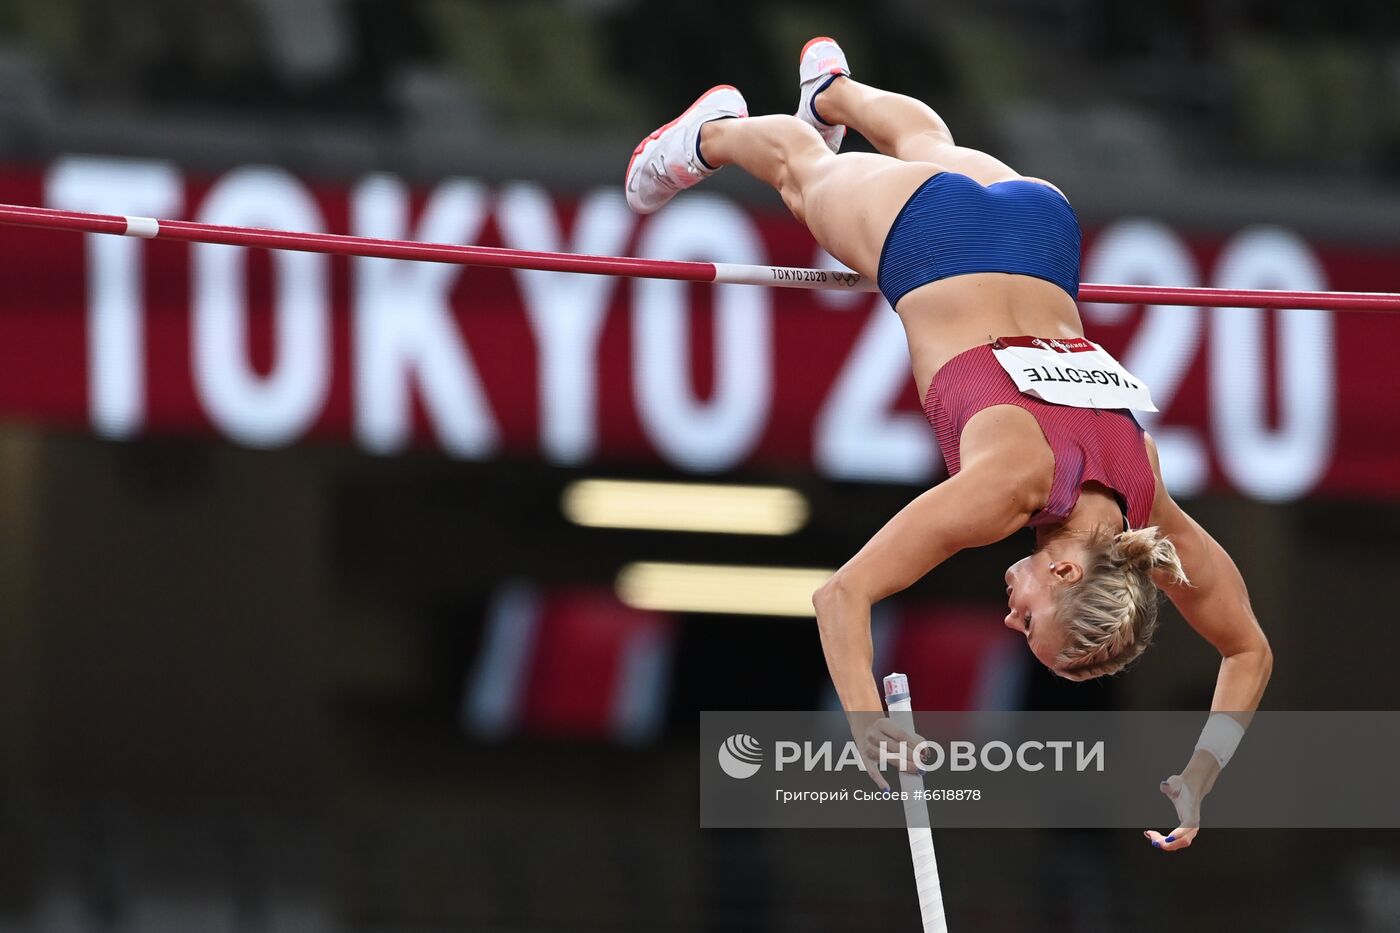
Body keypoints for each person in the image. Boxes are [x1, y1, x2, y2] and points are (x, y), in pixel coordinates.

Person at [624, 38, 1271, 853]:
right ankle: (703, 135)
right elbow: (842, 597)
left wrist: (1204, 772)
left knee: (928, 145)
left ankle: (834, 90)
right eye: (1029, 617)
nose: (1008, 614)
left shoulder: (1149, 499)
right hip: (930, 239)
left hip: (1040, 225)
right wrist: (865, 725)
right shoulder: (1008, 488)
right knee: (798, 172)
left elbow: (1246, 647)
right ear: (1066, 570)